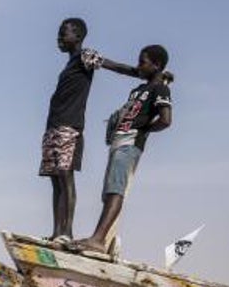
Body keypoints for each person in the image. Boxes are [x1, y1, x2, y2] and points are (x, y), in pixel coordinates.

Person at [40, 19, 148, 241]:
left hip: (70, 126)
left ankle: (66, 232)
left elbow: (114, 66)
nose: (59, 38)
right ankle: (56, 231)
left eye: (64, 33)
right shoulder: (69, 63)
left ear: (77, 36)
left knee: (65, 176)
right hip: (54, 126)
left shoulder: (84, 56)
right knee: (55, 180)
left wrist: (141, 74)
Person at [69, 45, 173, 256]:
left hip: (129, 144)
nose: (138, 65)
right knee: (108, 193)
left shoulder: (160, 89)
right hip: (119, 143)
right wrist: (101, 62)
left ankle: (97, 240)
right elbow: (123, 69)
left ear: (157, 65)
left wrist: (143, 131)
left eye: (142, 61)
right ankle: (102, 240)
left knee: (115, 190)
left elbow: (166, 120)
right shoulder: (139, 89)